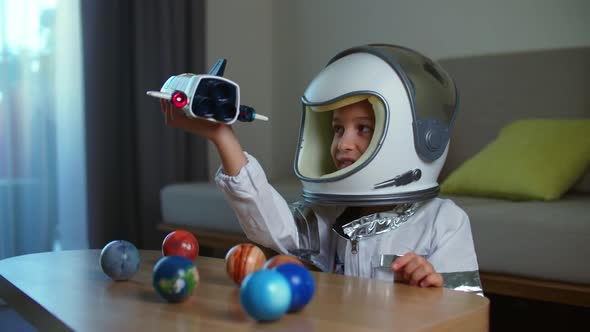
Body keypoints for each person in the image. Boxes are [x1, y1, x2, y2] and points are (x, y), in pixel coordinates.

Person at [160, 44, 482, 293]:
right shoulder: (329, 212)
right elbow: (272, 225)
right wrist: (222, 137)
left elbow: (468, 308)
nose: (343, 144)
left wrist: (432, 287)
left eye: (364, 128)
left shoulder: (445, 222)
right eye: (338, 129)